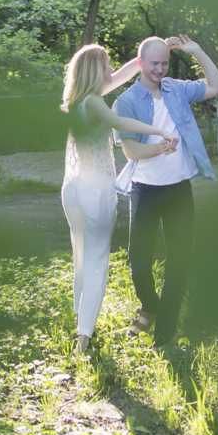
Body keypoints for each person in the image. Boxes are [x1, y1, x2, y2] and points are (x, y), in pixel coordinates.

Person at [60, 44, 179, 354]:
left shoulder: (77, 100)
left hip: (71, 188)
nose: (112, 72)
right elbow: (121, 124)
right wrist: (158, 130)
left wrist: (150, 52)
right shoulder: (96, 103)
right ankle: (83, 339)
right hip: (94, 190)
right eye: (107, 66)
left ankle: (79, 320)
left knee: (82, 258)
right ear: (95, 71)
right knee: (97, 262)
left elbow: (128, 72)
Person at [113, 34, 218, 350]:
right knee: (139, 261)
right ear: (140, 64)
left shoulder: (177, 89)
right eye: (154, 64)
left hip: (179, 191)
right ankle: (150, 306)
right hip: (145, 191)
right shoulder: (128, 101)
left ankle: (165, 334)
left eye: (164, 63)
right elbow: (131, 151)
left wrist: (198, 51)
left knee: (179, 263)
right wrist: (158, 149)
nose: (160, 69)